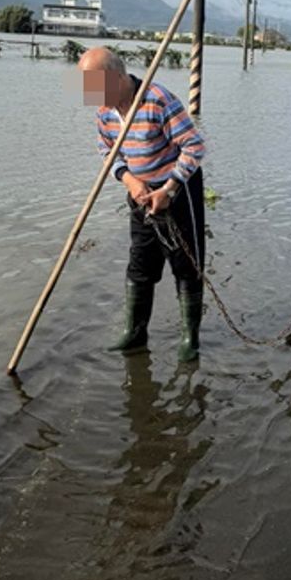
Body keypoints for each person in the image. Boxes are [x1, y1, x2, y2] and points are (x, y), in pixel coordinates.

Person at [76, 47, 206, 359]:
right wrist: (130, 181)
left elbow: (194, 146)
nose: (91, 93)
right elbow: (107, 150)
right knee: (140, 263)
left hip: (177, 188)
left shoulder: (158, 99)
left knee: (185, 264)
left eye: (96, 84)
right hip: (139, 191)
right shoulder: (105, 112)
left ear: (118, 78)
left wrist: (169, 188)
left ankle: (190, 338)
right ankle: (134, 332)